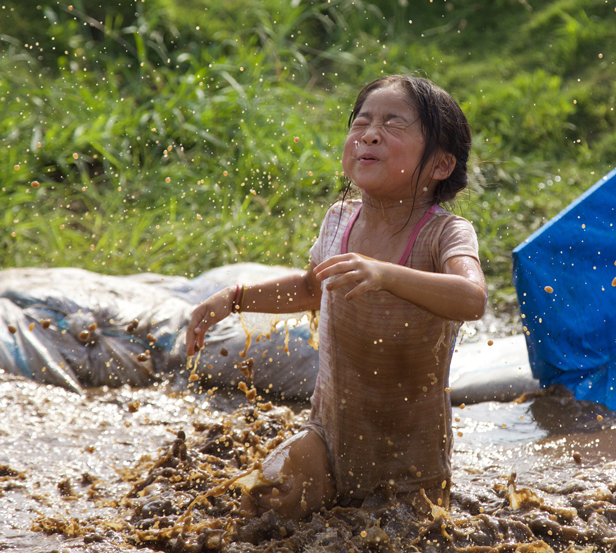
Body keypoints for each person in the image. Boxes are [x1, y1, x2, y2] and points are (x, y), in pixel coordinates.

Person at [185, 75, 487, 520]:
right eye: (361, 121)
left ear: (441, 165)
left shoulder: (444, 233)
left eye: (394, 124)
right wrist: (234, 297)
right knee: (263, 502)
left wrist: (385, 274)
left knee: (403, 537)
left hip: (412, 463)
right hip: (327, 437)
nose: (369, 133)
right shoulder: (340, 220)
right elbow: (312, 288)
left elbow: (472, 298)